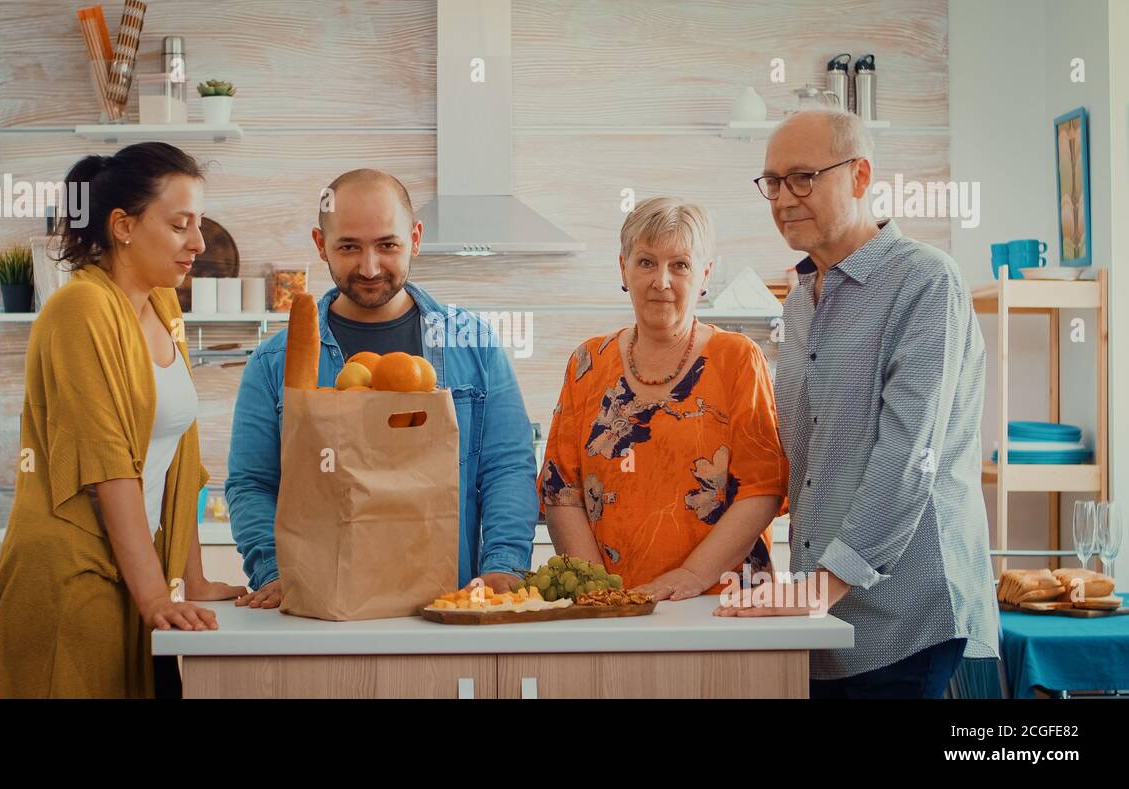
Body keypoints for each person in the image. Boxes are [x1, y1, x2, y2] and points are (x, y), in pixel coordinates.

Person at [715, 109, 1000, 700]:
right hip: (825, 621)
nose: (783, 198)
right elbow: (799, 455)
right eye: (771, 182)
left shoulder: (926, 281)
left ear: (861, 175)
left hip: (909, 617)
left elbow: (908, 456)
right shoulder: (799, 301)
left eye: (802, 177)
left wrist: (822, 586)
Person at [0, 142, 245, 698]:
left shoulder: (161, 305)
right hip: (73, 582)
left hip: (132, 575)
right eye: (180, 225)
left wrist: (190, 581)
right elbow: (109, 467)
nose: (198, 242)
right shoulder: (80, 310)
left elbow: (180, 460)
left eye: (198, 224)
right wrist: (154, 599)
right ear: (122, 225)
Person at [226, 168, 537, 608]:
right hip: (322, 610)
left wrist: (503, 567)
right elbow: (252, 483)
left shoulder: (475, 344)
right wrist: (276, 573)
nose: (369, 267)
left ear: (416, 237)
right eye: (349, 247)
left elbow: (507, 468)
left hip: (451, 605)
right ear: (320, 245)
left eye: (387, 245)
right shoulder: (274, 363)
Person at [538, 196, 788, 601]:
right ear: (623, 268)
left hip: (723, 604)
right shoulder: (587, 362)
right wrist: (602, 593)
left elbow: (762, 488)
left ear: (704, 275)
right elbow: (561, 490)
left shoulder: (738, 359)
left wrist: (692, 575)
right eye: (646, 262)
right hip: (616, 609)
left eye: (681, 265)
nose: (662, 281)